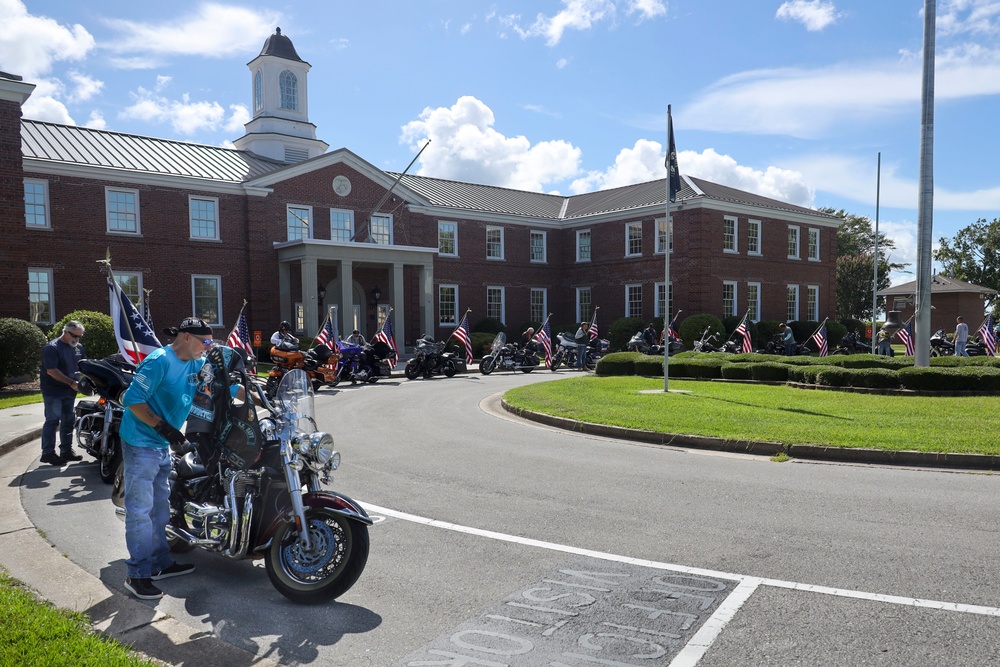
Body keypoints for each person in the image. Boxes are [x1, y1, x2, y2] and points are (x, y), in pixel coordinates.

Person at [118, 318, 212, 600]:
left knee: (161, 508)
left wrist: (256, 394)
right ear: (186, 337)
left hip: (161, 444)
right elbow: (132, 399)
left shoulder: (195, 362)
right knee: (141, 510)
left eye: (210, 342)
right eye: (203, 341)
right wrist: (163, 427)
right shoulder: (159, 361)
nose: (207, 347)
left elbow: (217, 387)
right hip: (140, 442)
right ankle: (137, 575)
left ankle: (160, 564)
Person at [39, 321, 86, 466]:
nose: (76, 339)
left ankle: (65, 450)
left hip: (69, 391)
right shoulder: (52, 348)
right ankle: (47, 453)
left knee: (68, 420)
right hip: (53, 391)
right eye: (74, 336)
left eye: (79, 336)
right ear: (65, 332)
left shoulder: (78, 348)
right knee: (52, 420)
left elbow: (83, 365)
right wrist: (71, 382)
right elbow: (51, 371)